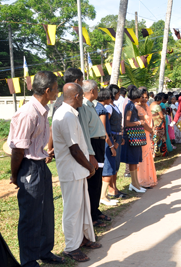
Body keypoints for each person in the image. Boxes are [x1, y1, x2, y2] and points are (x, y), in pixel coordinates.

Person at [8, 71, 65, 266]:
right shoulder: (28, 113)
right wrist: (15, 176)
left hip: (40, 166)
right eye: (56, 90)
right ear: (48, 90)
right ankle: (29, 261)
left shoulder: (43, 109)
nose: (58, 93)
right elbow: (18, 151)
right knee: (31, 217)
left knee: (46, 213)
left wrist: (43, 154)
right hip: (29, 168)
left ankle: (44, 251)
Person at [53, 83, 101, 262]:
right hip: (71, 170)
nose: (83, 97)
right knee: (72, 209)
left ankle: (83, 238)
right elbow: (74, 149)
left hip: (77, 170)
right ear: (76, 96)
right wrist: (90, 166)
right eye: (81, 95)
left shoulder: (71, 113)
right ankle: (71, 247)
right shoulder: (66, 115)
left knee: (82, 207)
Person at [79, 80, 110, 227]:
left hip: (99, 144)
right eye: (97, 89)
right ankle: (92, 216)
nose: (98, 92)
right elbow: (85, 131)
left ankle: (96, 210)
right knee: (93, 181)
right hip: (92, 145)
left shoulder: (92, 105)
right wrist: (90, 154)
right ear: (91, 91)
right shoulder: (84, 106)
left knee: (98, 179)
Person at [95, 89, 119, 206]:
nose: (111, 99)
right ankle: (103, 196)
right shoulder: (102, 110)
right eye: (110, 97)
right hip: (106, 143)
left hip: (100, 142)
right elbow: (104, 131)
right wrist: (111, 146)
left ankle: (102, 195)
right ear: (105, 98)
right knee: (108, 170)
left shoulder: (96, 107)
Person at [121, 85, 146, 193]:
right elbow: (127, 123)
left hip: (134, 137)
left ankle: (135, 183)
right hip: (131, 137)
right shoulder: (130, 106)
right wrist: (140, 122)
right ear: (137, 97)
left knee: (135, 161)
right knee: (132, 160)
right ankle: (134, 183)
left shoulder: (131, 104)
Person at [105, 84, 125, 198]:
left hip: (118, 137)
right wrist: (113, 141)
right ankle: (111, 189)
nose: (119, 95)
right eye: (117, 93)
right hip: (113, 139)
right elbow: (106, 125)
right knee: (112, 164)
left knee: (116, 164)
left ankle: (115, 187)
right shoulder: (108, 107)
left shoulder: (114, 105)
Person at [135, 88, 158, 188]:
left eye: (146, 97)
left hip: (149, 134)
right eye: (142, 97)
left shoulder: (146, 106)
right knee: (143, 157)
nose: (144, 99)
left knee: (149, 155)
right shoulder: (137, 107)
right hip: (141, 134)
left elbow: (150, 120)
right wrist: (151, 130)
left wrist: (152, 130)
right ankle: (142, 180)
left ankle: (149, 179)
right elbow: (143, 123)